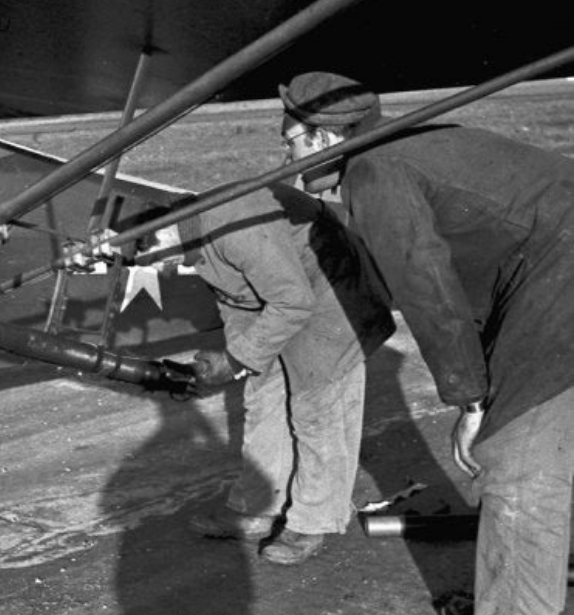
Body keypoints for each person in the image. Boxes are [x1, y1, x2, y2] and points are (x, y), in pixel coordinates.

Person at [277, 71, 574, 613]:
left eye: (291, 143)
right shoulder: (415, 141)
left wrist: (472, 400)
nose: (292, 169)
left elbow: (427, 289)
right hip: (551, 264)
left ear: (322, 137)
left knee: (517, 463)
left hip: (562, 275)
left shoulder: (373, 170)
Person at [137, 181, 394, 565]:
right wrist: (236, 359)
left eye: (152, 255)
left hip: (332, 289)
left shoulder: (233, 226)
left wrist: (236, 359)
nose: (158, 268)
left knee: (318, 407)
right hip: (285, 294)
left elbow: (293, 302)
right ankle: (257, 506)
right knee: (263, 395)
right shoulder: (194, 239)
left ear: (166, 232)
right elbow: (237, 301)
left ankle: (312, 520)